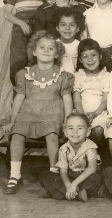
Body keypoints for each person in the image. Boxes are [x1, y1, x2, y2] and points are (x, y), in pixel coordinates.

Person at [2, 31, 74, 195]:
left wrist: (68, 122)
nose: (46, 50)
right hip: (28, 112)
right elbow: (19, 99)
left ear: (57, 54)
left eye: (51, 48)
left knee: (52, 135)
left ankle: (54, 172)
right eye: (42, 47)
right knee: (17, 133)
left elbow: (67, 99)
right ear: (34, 51)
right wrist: (13, 121)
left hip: (52, 113)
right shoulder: (25, 74)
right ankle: (15, 174)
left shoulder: (62, 75)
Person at [4, 0, 49, 85]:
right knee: (18, 62)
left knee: (36, 62)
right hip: (20, 32)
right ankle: (17, 93)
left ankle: (33, 94)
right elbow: (7, 14)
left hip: (38, 32)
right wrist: (21, 24)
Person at [39, 113, 101, 202]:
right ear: (65, 132)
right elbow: (63, 172)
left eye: (80, 128)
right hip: (69, 176)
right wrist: (69, 185)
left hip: (84, 176)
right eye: (71, 128)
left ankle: (55, 193)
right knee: (44, 174)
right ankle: (76, 194)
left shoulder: (90, 146)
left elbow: (92, 168)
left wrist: (74, 184)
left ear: (87, 132)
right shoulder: (63, 149)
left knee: (96, 178)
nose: (75, 132)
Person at [73, 39, 111, 157]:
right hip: (81, 113)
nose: (90, 60)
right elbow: (77, 100)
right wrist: (82, 115)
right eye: (85, 56)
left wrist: (95, 114)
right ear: (80, 59)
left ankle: (93, 156)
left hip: (100, 113)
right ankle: (82, 158)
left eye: (93, 55)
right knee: (78, 128)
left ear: (100, 56)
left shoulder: (106, 76)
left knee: (98, 131)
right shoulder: (78, 76)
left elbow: (105, 100)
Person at [56, 7, 84, 74]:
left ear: (77, 29)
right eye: (63, 24)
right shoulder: (53, 45)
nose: (67, 28)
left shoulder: (80, 46)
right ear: (57, 28)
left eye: (72, 25)